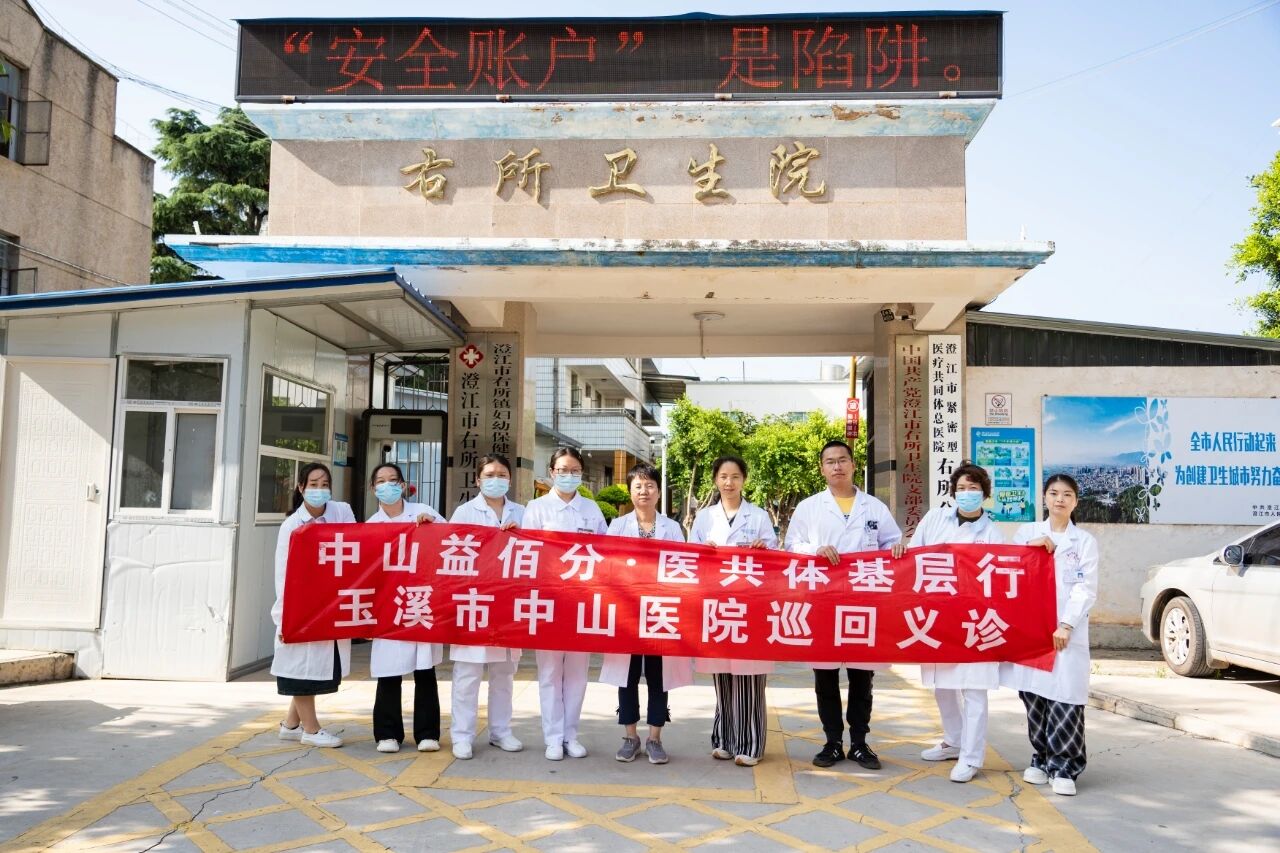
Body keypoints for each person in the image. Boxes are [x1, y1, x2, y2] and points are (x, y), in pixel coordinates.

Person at [785, 439, 902, 770]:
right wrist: (816, 550)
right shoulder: (809, 507)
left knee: (862, 676)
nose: (837, 466)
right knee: (825, 676)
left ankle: (860, 743)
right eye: (830, 461)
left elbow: (892, 542)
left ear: (853, 465)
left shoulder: (874, 507)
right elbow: (791, 545)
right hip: (823, 601)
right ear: (822, 468)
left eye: (842, 460)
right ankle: (833, 742)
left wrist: (897, 550)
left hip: (863, 602)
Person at [892, 462, 1003, 783]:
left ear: (984, 494)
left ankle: (971, 757)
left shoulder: (992, 533)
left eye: (974, 488)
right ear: (953, 492)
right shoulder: (935, 518)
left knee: (974, 687)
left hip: (975, 618)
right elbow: (913, 556)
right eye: (961, 488)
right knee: (943, 684)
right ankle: (953, 741)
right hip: (939, 615)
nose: (967, 494)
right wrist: (900, 549)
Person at [1001, 474, 1099, 797]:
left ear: (1075, 501)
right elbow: (1011, 568)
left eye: (1067, 494)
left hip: (1066, 632)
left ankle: (1065, 766)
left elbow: (1086, 588)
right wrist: (1033, 548)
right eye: (1054, 493)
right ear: (1044, 497)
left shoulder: (1084, 542)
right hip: (1033, 629)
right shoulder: (1027, 532)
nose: (1060, 499)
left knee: (1065, 697)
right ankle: (1041, 758)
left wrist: (1067, 624)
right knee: (1034, 696)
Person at [599, 463, 693, 765]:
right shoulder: (617, 526)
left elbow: (683, 566)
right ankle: (630, 737)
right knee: (626, 676)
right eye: (638, 486)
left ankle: (654, 738)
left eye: (650, 485)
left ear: (658, 491)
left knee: (657, 675)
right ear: (630, 491)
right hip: (626, 611)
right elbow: (607, 566)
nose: (644, 491)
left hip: (660, 611)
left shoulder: (672, 528)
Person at [690, 456, 778, 767]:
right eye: (724, 476)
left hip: (750, 605)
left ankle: (751, 744)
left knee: (749, 676)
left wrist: (763, 550)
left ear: (744, 480)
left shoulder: (759, 516)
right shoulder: (704, 518)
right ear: (715, 480)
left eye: (735, 476)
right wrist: (704, 552)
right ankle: (724, 739)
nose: (729, 482)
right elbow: (691, 559)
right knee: (723, 675)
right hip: (718, 605)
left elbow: (775, 557)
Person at [521, 447, 608, 761]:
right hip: (547, 601)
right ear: (551, 472)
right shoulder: (536, 508)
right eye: (562, 470)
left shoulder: (591, 509)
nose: (568, 475)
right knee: (549, 672)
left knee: (577, 674)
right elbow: (528, 552)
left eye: (574, 471)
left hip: (581, 603)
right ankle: (553, 737)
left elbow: (606, 551)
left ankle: (571, 734)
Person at [447, 454, 526, 760]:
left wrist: (519, 535)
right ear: (478, 480)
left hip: (508, 603)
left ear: (510, 479)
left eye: (502, 474)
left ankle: (501, 731)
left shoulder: (522, 512)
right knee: (468, 673)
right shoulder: (465, 512)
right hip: (474, 601)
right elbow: (451, 554)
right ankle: (462, 735)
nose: (496, 480)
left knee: (504, 673)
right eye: (490, 475)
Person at [272, 462, 355, 748]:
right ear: (301, 488)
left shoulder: (341, 511)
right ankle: (311, 729)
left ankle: (290, 725)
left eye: (325, 484)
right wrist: (285, 619)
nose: (320, 490)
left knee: (313, 668)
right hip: (302, 607)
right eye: (313, 485)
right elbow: (283, 576)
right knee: (300, 667)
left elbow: (359, 542)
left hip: (330, 604)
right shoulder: (292, 526)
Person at [366, 463, 444, 754]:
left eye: (393, 480)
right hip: (388, 606)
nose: (387, 485)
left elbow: (451, 544)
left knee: (425, 671)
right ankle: (387, 734)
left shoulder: (423, 512)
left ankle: (427, 733)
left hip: (420, 600)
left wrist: (433, 527)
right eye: (381, 481)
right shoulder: (370, 526)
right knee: (388, 670)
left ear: (402, 485)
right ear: (373, 488)